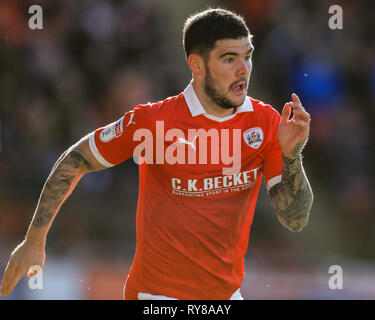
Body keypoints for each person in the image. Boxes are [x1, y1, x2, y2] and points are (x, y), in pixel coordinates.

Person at [1, 8, 313, 300]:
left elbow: (295, 218)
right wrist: (34, 241)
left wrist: (292, 156)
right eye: (229, 59)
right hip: (157, 297)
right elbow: (76, 159)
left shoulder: (266, 122)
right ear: (197, 64)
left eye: (248, 56)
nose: (243, 69)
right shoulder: (154, 122)